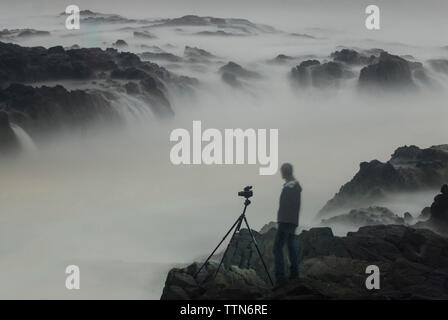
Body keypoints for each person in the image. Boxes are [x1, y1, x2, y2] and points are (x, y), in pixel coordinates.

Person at [273, 163, 302, 284]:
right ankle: (294, 273)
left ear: (285, 172)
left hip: (286, 221)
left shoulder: (290, 187)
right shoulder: (294, 186)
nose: (281, 173)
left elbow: (287, 205)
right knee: (290, 245)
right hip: (292, 220)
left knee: (277, 247)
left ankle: (280, 277)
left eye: (282, 171)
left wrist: (282, 220)